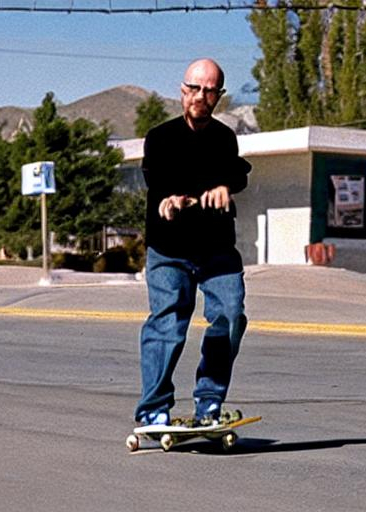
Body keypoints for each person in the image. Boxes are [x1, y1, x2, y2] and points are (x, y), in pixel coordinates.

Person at [134, 58, 252, 427]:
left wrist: (225, 186)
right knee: (168, 325)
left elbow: (238, 172)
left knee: (230, 316)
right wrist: (173, 198)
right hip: (169, 250)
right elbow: (157, 175)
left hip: (216, 249)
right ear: (182, 90)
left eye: (210, 89)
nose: (201, 96)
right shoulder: (160, 137)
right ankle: (154, 408)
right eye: (194, 88)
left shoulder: (223, 138)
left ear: (219, 96)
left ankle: (209, 403)